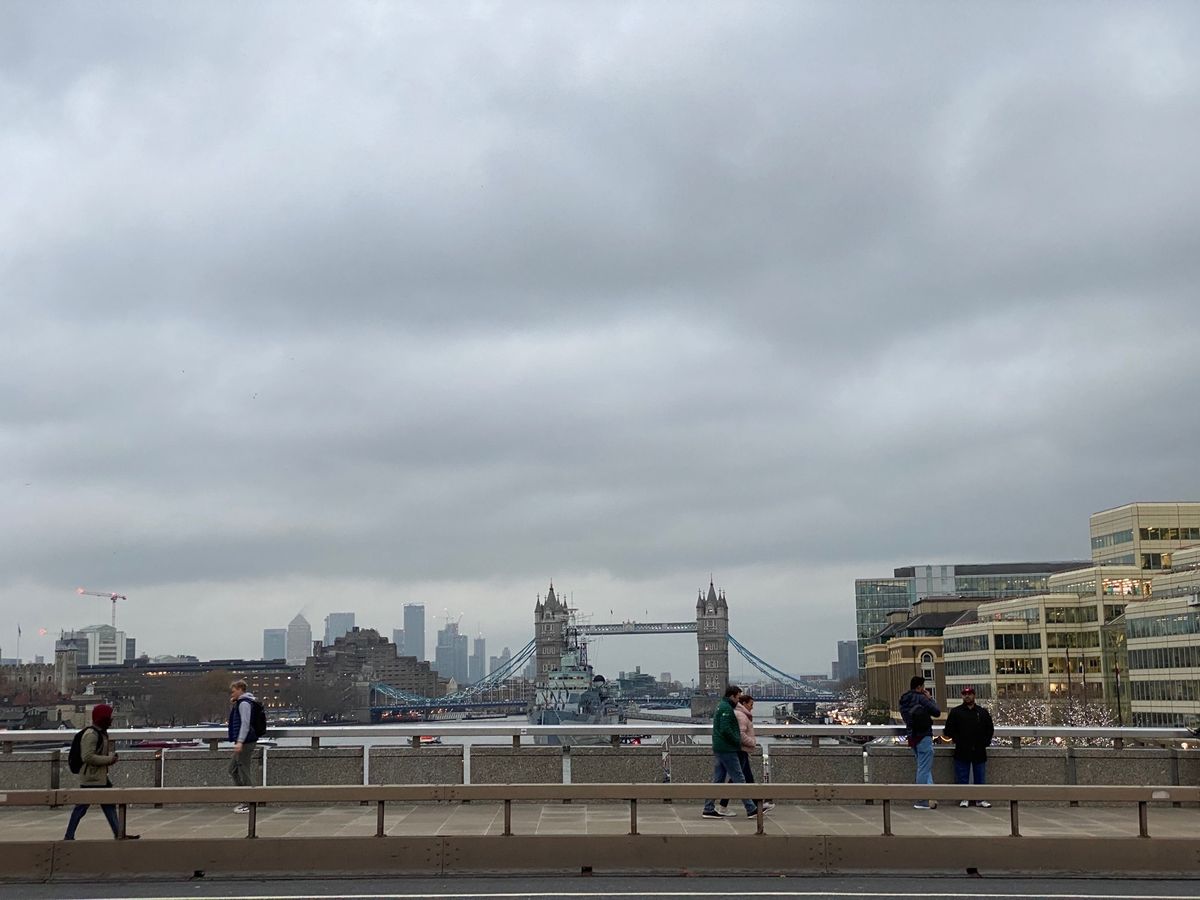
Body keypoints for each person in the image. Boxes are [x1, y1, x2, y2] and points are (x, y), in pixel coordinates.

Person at [64, 703, 139, 840]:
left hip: (98, 777)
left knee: (106, 805)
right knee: (82, 807)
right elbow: (87, 756)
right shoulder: (91, 735)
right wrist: (108, 760)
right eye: (109, 717)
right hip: (91, 778)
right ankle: (69, 836)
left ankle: (118, 832)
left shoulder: (100, 733)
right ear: (103, 718)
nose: (111, 720)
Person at [701, 685, 759, 819]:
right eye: (738, 697)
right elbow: (726, 730)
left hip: (720, 748)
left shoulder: (721, 706)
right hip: (727, 748)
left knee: (718, 780)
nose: (738, 700)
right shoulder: (727, 709)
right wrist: (738, 740)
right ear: (732, 696)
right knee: (739, 778)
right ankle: (751, 809)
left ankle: (708, 808)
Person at [719, 694, 774, 814]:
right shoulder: (742, 716)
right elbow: (740, 734)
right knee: (738, 779)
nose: (752, 707)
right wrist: (752, 743)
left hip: (740, 750)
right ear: (743, 704)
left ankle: (755, 805)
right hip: (741, 750)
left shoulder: (739, 713)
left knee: (747, 778)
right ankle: (729, 806)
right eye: (751, 704)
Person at [943, 685, 994, 808]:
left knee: (980, 775)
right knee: (962, 775)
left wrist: (985, 742)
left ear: (974, 695)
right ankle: (964, 798)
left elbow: (989, 729)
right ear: (962, 696)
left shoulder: (982, 712)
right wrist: (957, 739)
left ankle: (980, 799)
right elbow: (948, 730)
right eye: (965, 694)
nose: (967, 696)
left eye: (970, 694)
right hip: (962, 748)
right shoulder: (956, 712)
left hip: (979, 748)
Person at [898, 675, 941, 810]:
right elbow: (937, 712)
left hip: (912, 736)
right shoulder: (921, 698)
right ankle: (922, 800)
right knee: (923, 768)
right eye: (923, 687)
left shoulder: (904, 699)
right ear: (920, 687)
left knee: (923, 766)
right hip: (924, 735)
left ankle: (931, 797)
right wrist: (930, 698)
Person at [227, 680, 260, 813]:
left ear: (240, 689)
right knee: (232, 769)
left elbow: (245, 724)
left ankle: (248, 802)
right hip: (243, 741)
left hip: (246, 742)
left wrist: (240, 741)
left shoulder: (245, 703)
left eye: (233, 691)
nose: (232, 693)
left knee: (244, 771)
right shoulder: (241, 703)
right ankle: (244, 799)